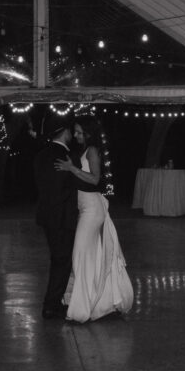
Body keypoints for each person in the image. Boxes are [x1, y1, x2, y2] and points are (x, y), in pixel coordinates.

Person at [55, 116, 134, 322]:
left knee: (80, 254)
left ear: (89, 132)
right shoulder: (83, 150)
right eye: (76, 132)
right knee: (88, 255)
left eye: (81, 132)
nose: (77, 135)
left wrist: (71, 169)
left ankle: (84, 303)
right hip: (84, 208)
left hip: (92, 209)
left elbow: (95, 179)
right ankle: (94, 299)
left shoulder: (92, 151)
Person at [33, 116, 78, 319]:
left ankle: (53, 302)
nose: (73, 135)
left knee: (59, 259)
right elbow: (60, 188)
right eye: (71, 132)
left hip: (48, 215)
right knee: (62, 261)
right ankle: (51, 306)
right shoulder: (62, 155)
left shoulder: (43, 153)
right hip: (60, 217)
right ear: (65, 132)